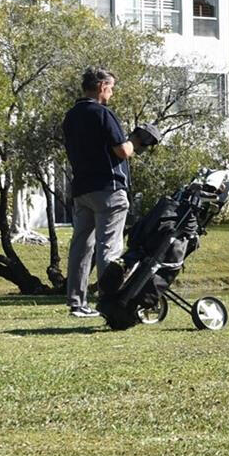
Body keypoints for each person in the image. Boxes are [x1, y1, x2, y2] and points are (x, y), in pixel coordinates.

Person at [60, 67, 155, 318]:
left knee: (81, 247)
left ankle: (77, 303)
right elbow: (122, 151)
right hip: (109, 189)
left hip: (82, 189)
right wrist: (136, 140)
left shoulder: (71, 116)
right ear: (102, 86)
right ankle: (108, 301)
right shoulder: (103, 113)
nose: (111, 93)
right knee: (109, 247)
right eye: (111, 88)